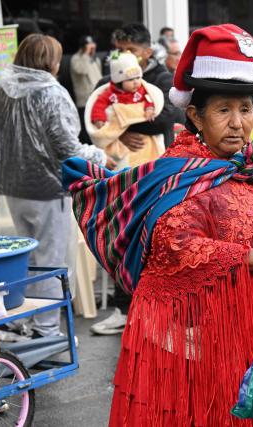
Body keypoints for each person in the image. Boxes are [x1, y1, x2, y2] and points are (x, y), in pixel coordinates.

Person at [64, 24, 253, 425]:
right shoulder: (179, 178)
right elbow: (174, 245)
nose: (238, 123)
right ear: (195, 115)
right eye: (224, 110)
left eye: (245, 110)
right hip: (200, 345)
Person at [0, 34, 110, 338]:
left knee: (23, 258)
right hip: (47, 191)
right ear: (49, 61)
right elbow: (67, 148)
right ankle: (46, 329)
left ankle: (19, 318)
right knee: (51, 261)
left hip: (12, 187)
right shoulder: (51, 94)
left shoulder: (0, 91)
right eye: (56, 57)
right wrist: (99, 154)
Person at [89, 23, 178, 335]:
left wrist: (129, 121)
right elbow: (92, 120)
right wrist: (120, 132)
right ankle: (123, 308)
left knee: (156, 237)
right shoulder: (106, 82)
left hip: (156, 174)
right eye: (118, 49)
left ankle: (159, 307)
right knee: (121, 234)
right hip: (121, 174)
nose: (122, 55)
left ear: (147, 53)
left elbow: (170, 116)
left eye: (129, 50)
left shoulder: (161, 79)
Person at [87, 52, 165, 169]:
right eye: (130, 79)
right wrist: (99, 118)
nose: (135, 82)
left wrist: (149, 108)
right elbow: (99, 104)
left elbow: (150, 98)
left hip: (144, 135)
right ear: (119, 82)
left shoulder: (142, 90)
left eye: (138, 78)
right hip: (120, 139)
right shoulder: (110, 94)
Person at [70, 35, 102, 145]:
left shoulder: (95, 59)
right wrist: (85, 54)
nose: (92, 47)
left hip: (97, 98)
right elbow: (81, 70)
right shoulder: (76, 58)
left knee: (97, 127)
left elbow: (99, 77)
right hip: (84, 100)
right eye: (88, 46)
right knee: (86, 130)